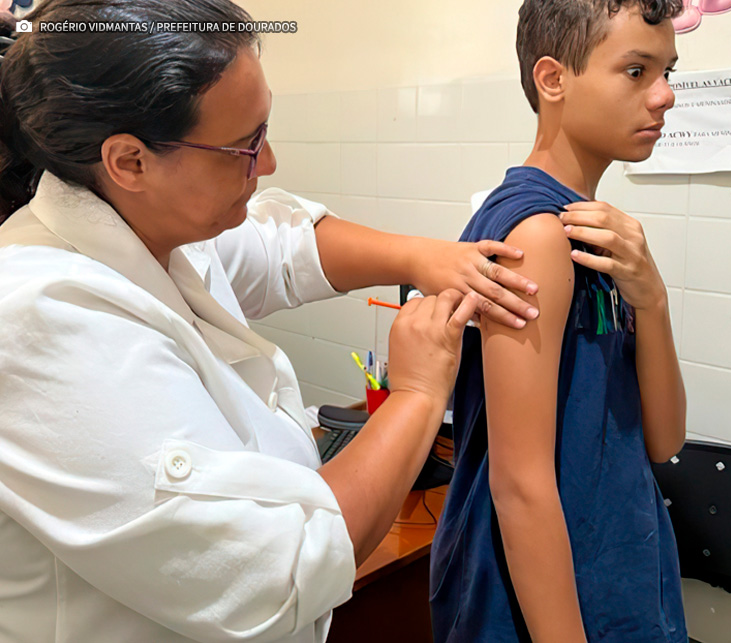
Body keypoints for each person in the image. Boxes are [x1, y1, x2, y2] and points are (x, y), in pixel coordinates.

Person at [0, 0, 573, 640]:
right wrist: (416, 395)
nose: (268, 163)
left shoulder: (158, 227)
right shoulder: (41, 319)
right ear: (129, 161)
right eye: (246, 145)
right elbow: (271, 573)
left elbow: (283, 247)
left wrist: (428, 257)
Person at [429, 1, 688, 641]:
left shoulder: (597, 233)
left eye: (668, 70)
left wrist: (651, 298)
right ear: (553, 80)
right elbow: (519, 486)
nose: (666, 96)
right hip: (548, 599)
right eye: (636, 71)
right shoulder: (538, 234)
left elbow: (664, 440)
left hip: (610, 557)